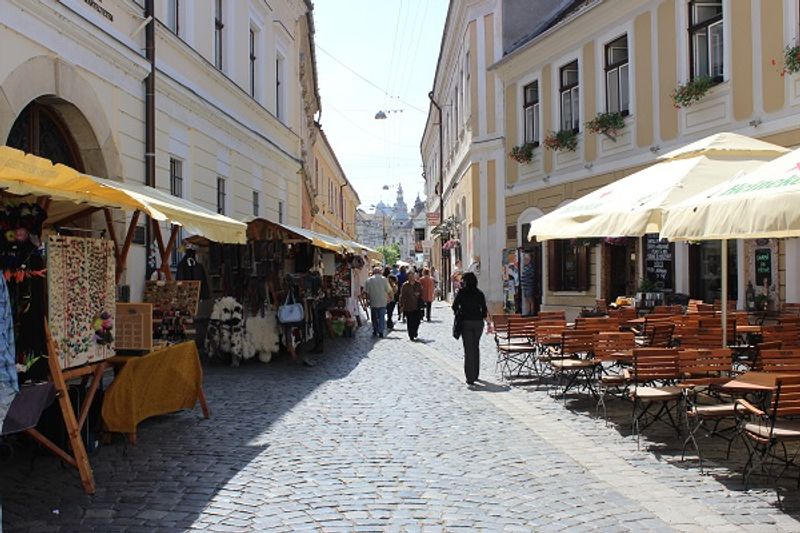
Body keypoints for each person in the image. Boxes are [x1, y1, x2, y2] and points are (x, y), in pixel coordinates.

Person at [452, 272, 488, 385]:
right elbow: (484, 309)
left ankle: (470, 377)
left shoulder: (462, 293)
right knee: (475, 347)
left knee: (468, 349)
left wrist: (460, 312)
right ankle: (476, 374)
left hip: (466, 322)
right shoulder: (479, 293)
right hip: (478, 323)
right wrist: (480, 316)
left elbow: (454, 306)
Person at [363, 267, 393, 337]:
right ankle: (381, 331)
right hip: (382, 301)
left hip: (373, 301)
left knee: (374, 317)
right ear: (380, 272)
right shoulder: (384, 279)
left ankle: (375, 329)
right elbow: (389, 290)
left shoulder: (369, 280)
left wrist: (367, 300)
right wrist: (390, 297)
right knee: (381, 317)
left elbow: (366, 292)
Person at [399, 271, 424, 341]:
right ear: (408, 277)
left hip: (417, 306)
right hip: (408, 306)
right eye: (410, 276)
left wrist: (419, 295)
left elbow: (422, 293)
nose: (411, 278)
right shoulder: (405, 285)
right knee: (410, 321)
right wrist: (401, 305)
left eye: (412, 276)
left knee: (417, 321)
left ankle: (415, 331)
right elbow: (402, 296)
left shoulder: (418, 284)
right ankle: (411, 334)